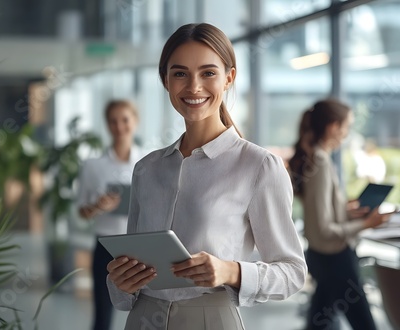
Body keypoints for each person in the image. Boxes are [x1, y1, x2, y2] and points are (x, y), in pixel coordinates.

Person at [106, 23, 307, 330]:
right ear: (166, 80)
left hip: (210, 319)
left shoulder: (259, 166)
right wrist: (120, 281)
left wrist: (232, 272)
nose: (194, 87)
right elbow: (127, 287)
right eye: (180, 73)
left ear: (229, 77)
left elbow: (292, 273)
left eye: (208, 73)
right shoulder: (147, 168)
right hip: (142, 319)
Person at [288, 99, 393, 330]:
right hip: (334, 259)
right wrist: (367, 223)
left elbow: (320, 213)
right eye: (347, 126)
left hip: (321, 256)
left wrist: (345, 209)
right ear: (333, 127)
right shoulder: (321, 161)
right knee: (364, 324)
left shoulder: (316, 158)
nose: (347, 134)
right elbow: (326, 229)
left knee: (320, 321)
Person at [76, 100, 143, 330]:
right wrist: (97, 206)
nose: (119, 126)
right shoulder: (93, 166)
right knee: (102, 315)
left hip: (141, 246)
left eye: (125, 120)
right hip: (106, 245)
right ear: (107, 125)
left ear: (135, 121)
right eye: (113, 121)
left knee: (146, 312)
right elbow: (82, 212)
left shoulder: (148, 163)